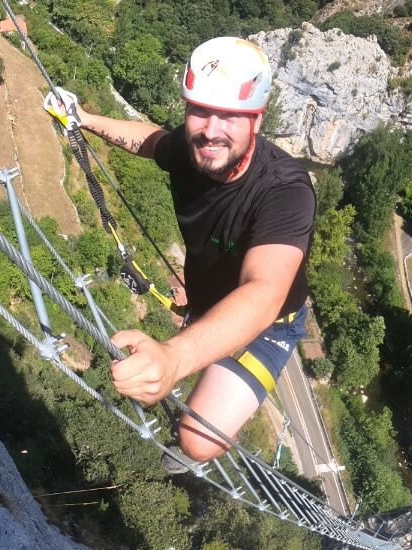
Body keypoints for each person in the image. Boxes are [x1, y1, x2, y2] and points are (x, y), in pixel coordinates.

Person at [44, 37, 315, 468]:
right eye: (200, 111)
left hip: (270, 325)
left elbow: (264, 292)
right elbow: (151, 141)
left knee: (197, 441)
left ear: (256, 121)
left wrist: (173, 357)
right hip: (207, 299)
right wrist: (84, 118)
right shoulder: (194, 151)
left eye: (230, 116)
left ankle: (209, 429)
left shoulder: (285, 191)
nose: (211, 129)